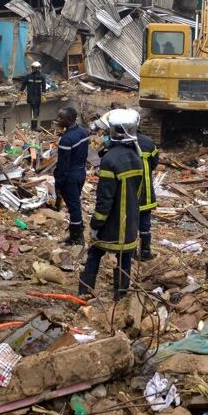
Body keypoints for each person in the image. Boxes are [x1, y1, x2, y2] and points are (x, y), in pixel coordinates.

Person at [79, 108, 143, 300]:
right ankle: (121, 295)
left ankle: (84, 292)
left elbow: (105, 198)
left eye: (110, 131)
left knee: (94, 253)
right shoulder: (135, 156)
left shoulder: (110, 160)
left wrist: (96, 224)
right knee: (124, 259)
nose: (107, 135)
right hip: (130, 221)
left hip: (112, 223)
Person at [54, 106, 91, 246]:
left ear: (70, 119)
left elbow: (63, 166)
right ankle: (78, 230)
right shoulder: (83, 132)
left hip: (70, 175)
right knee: (75, 203)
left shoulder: (66, 139)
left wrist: (58, 184)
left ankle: (76, 237)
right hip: (81, 172)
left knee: (73, 207)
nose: (57, 120)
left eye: (60, 117)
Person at [135, 125, 160, 260]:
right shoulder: (148, 142)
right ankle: (145, 252)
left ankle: (130, 252)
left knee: (129, 222)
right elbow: (155, 162)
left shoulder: (120, 143)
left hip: (128, 191)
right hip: (146, 190)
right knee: (145, 222)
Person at [21, 61, 46, 130]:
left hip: (38, 97)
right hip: (31, 97)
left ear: (39, 68)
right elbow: (23, 84)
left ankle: (34, 126)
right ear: (32, 68)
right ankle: (33, 127)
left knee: (36, 111)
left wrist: (43, 94)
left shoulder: (42, 77)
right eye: (34, 68)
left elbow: (44, 86)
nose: (35, 69)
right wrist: (20, 92)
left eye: (36, 68)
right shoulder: (28, 76)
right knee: (34, 111)